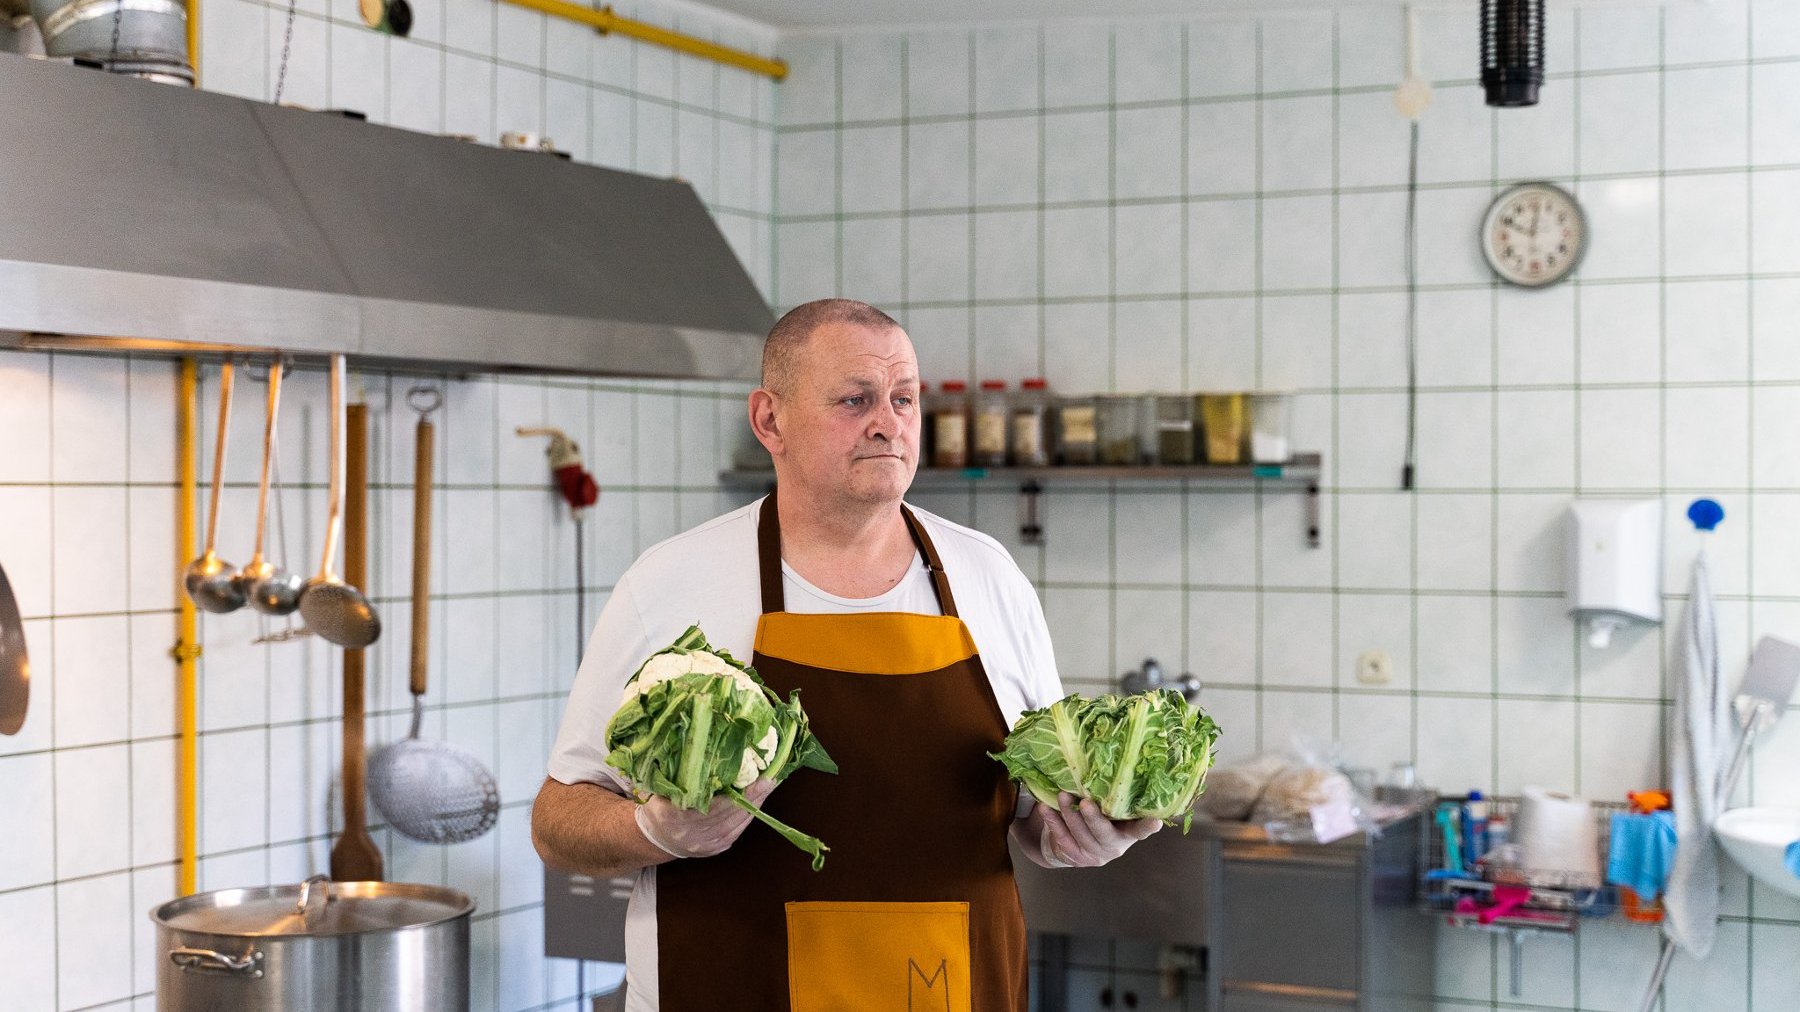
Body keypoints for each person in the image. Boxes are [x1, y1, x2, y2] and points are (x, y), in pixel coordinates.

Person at [532, 298, 1162, 1012]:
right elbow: (559, 820)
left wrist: (1084, 835)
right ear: (770, 421)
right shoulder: (671, 583)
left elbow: (1036, 817)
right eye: (854, 399)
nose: (888, 422)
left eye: (903, 399)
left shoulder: (990, 579)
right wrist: (654, 829)